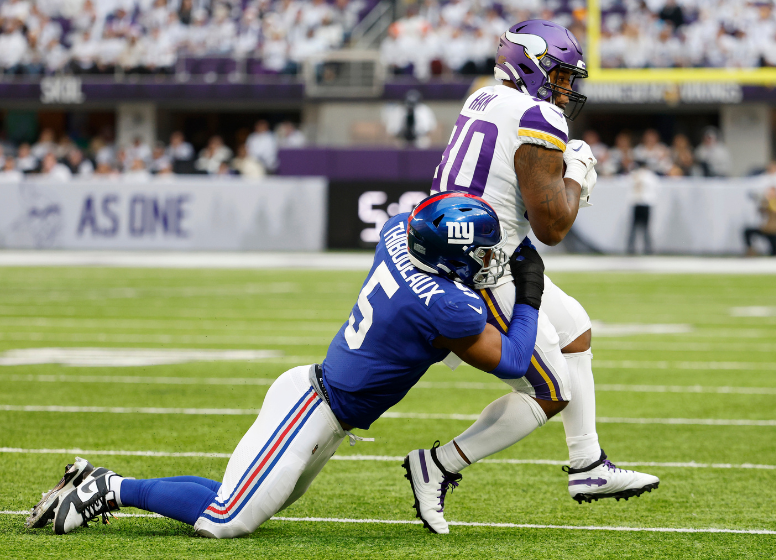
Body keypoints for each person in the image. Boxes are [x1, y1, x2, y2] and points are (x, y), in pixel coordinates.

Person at [29, 192, 545, 538]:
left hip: (324, 405)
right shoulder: (448, 305)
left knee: (236, 498)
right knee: (225, 519)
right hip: (314, 405)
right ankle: (109, 488)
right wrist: (530, 290)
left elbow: (427, 230)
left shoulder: (396, 234)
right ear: (446, 252)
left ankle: (99, 478)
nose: (486, 260)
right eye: (478, 252)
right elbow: (514, 359)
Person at [406, 20, 658, 534]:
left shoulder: (482, 97)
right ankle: (439, 464)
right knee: (551, 389)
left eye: (569, 78)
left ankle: (588, 465)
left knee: (576, 331)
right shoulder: (538, 115)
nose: (566, 88)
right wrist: (579, 175)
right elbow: (553, 227)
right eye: (560, 75)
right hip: (483, 263)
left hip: (468, 242)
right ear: (531, 64)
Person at [627, 162, 658, 254]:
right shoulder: (635, 175)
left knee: (644, 228)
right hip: (638, 203)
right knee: (636, 228)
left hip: (644, 203)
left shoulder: (649, 176)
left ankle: (647, 249)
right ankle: (632, 248)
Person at [744, 186, 776, 256]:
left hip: (774, 231)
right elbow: (761, 212)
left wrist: (771, 203)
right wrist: (762, 202)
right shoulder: (766, 202)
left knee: (775, 252)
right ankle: (750, 250)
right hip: (766, 229)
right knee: (747, 231)